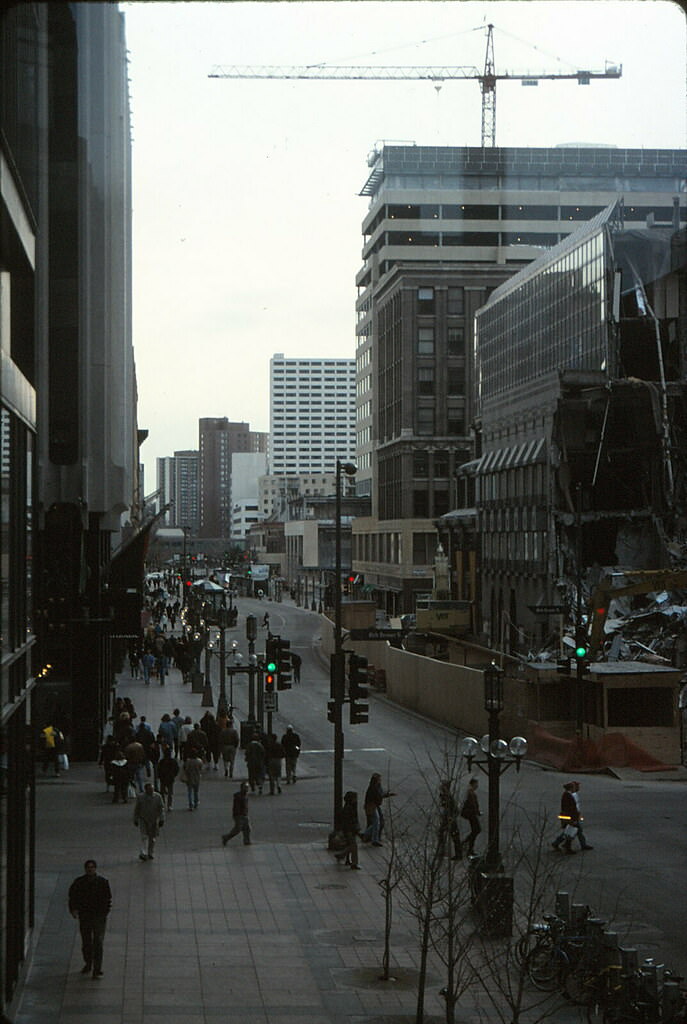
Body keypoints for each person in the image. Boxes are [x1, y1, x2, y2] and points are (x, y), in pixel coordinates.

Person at [68, 859, 112, 978]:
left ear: (95, 868)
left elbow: (107, 898)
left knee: (98, 941)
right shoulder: (79, 883)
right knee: (86, 941)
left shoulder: (102, 882)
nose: (90, 869)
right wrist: (74, 909)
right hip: (85, 916)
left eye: (92, 867)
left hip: (98, 916)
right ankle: (88, 962)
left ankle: (97, 968)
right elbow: (72, 897)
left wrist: (105, 912)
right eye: (88, 867)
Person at [133, 782, 165, 860]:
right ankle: (143, 853)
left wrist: (162, 819)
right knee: (144, 836)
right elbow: (137, 809)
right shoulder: (140, 797)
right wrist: (135, 819)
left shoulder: (158, 797)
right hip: (143, 819)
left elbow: (161, 809)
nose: (151, 791)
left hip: (154, 819)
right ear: (145, 790)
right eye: (149, 790)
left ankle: (150, 852)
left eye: (152, 789)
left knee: (152, 838)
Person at [361, 773, 393, 846]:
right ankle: (374, 839)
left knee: (376, 822)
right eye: (379, 779)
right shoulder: (374, 788)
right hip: (372, 806)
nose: (380, 781)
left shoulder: (375, 787)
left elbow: (379, 795)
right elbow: (377, 797)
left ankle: (367, 834)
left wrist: (386, 794)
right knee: (376, 822)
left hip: (373, 806)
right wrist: (385, 795)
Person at [335, 791, 361, 869]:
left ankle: (342, 855)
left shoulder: (349, 807)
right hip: (349, 830)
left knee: (351, 845)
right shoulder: (349, 809)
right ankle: (354, 863)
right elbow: (349, 821)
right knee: (353, 846)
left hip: (349, 830)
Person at [438, 780, 462, 860]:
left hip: (449, 818)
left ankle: (458, 854)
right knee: (444, 833)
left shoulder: (448, 797)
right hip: (447, 817)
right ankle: (444, 850)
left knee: (454, 836)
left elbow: (454, 809)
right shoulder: (445, 795)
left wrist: (451, 817)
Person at [460, 778, 481, 855]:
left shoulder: (470, 792)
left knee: (475, 830)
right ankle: (468, 846)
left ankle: (467, 845)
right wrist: (477, 812)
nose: (477, 786)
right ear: (473, 784)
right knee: (477, 830)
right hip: (471, 814)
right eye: (476, 784)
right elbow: (473, 805)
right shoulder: (471, 793)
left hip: (471, 814)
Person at [157, 746, 179, 810]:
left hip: (163, 779)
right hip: (170, 778)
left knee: (162, 793)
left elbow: (158, 770)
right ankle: (169, 805)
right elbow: (177, 769)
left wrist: (159, 776)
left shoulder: (161, 762)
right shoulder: (173, 761)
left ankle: (163, 804)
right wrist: (174, 775)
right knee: (170, 793)